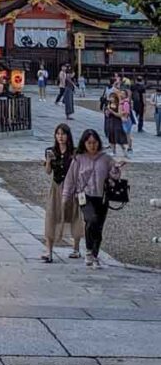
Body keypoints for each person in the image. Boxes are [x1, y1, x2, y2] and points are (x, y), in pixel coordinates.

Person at [62, 128, 125, 268]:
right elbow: (70, 179)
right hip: (85, 196)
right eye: (89, 143)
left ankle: (94, 255)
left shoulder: (106, 158)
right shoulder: (78, 159)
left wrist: (116, 168)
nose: (92, 145)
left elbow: (114, 176)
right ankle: (89, 250)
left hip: (101, 197)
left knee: (98, 227)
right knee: (91, 220)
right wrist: (66, 197)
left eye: (95, 142)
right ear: (84, 143)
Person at [42, 123, 83, 263]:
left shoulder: (74, 152)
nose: (60, 137)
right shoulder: (50, 150)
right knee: (52, 215)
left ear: (68, 136)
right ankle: (49, 250)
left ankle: (76, 248)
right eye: (58, 134)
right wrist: (48, 160)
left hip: (70, 187)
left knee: (74, 215)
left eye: (63, 134)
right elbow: (48, 172)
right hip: (56, 186)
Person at [104, 90, 127, 156]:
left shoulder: (118, 105)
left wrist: (112, 112)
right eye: (110, 97)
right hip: (110, 121)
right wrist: (107, 113)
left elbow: (119, 115)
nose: (111, 99)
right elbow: (107, 114)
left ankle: (124, 149)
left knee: (118, 137)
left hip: (117, 122)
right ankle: (113, 151)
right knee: (111, 136)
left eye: (112, 97)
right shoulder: (109, 104)